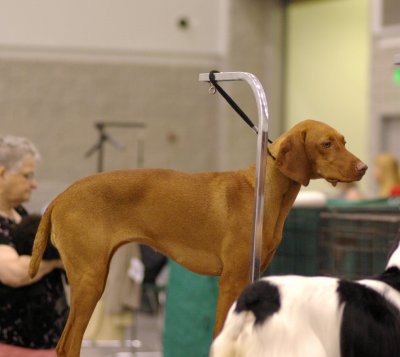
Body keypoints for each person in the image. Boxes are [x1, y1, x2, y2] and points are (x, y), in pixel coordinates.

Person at [0, 135, 68, 356]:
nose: (34, 183)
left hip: (44, 344)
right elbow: (15, 272)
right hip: (13, 347)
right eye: (27, 176)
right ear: (2, 174)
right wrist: (58, 259)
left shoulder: (20, 214)